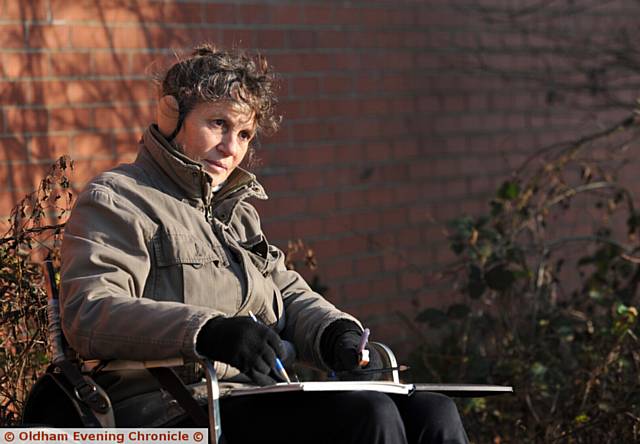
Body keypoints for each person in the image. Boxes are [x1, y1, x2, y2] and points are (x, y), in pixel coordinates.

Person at [59, 43, 469, 444]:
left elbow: (287, 292)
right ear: (171, 116)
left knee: (434, 412)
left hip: (255, 396)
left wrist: (335, 334)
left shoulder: (237, 213)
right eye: (217, 123)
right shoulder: (119, 197)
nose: (231, 147)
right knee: (366, 415)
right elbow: (90, 312)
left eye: (244, 133)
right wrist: (207, 332)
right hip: (171, 406)